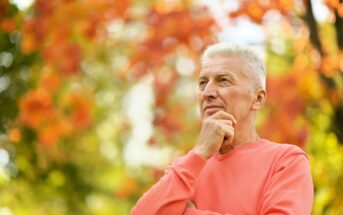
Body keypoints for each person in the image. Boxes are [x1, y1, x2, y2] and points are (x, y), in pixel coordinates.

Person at [131, 43, 314, 215]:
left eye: (223, 81)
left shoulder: (286, 161)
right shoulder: (188, 166)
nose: (207, 92)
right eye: (202, 83)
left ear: (258, 99)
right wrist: (200, 152)